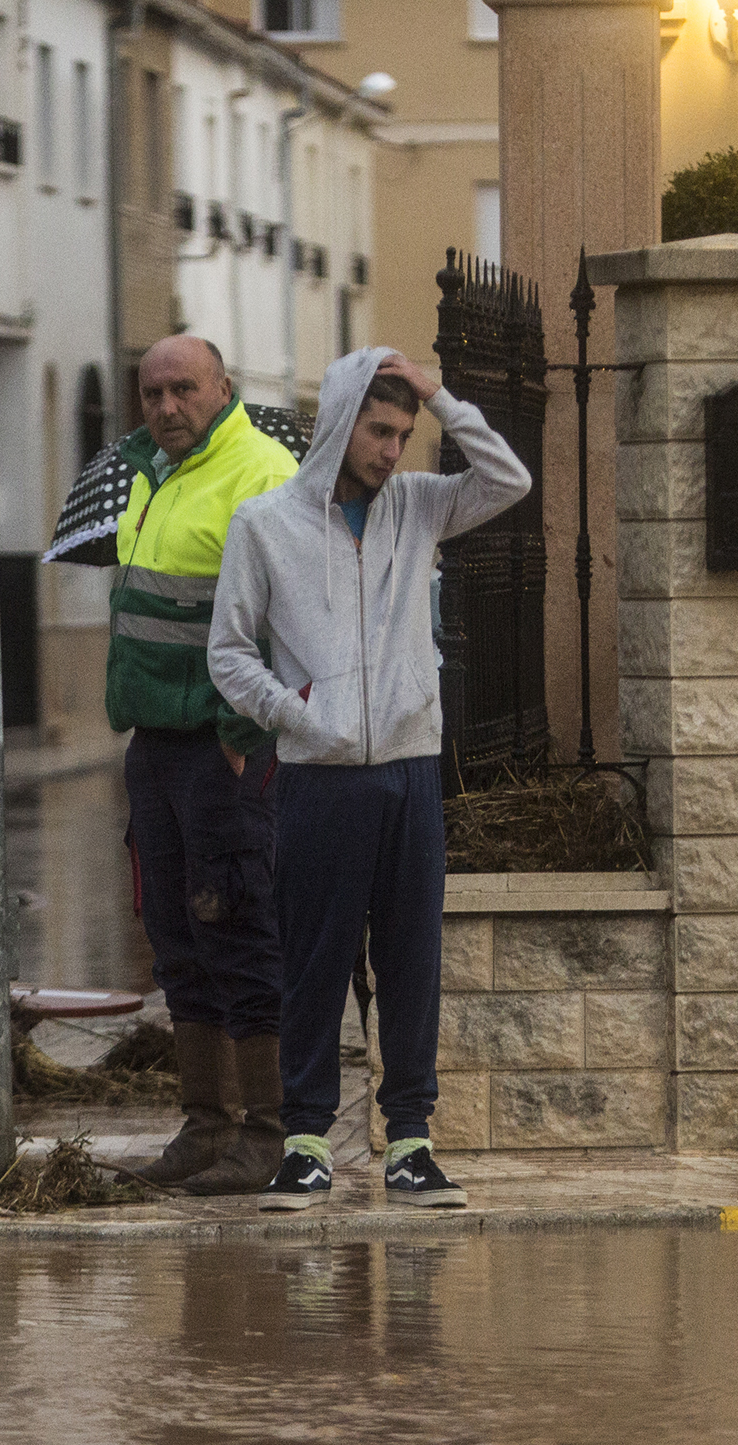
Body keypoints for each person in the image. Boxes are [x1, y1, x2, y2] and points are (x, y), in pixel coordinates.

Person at [206, 347, 531, 1211]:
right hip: (316, 775)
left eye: (403, 433)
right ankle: (306, 1142)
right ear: (341, 422)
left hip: (410, 771)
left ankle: (411, 1146)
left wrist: (442, 395)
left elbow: (510, 480)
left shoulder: (420, 507)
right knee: (313, 960)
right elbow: (229, 654)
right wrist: (299, 715)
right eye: (379, 430)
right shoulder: (264, 524)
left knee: (411, 960)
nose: (392, 449)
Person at [109, 334, 302, 1194]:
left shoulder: (257, 472)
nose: (166, 407)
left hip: (222, 748)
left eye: (183, 389)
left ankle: (266, 1133)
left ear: (223, 385)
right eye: (152, 393)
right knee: (176, 937)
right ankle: (202, 1126)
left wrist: (235, 736)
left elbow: (277, 621)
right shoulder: (151, 474)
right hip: (155, 746)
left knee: (236, 924)